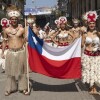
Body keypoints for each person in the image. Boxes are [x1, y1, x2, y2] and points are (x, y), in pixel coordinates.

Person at [1, 5, 30, 96]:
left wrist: (26, 39)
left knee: (21, 72)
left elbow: (25, 41)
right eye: (12, 19)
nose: (14, 20)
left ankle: (23, 88)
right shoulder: (6, 30)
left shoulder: (22, 29)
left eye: (15, 19)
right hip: (10, 52)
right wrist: (2, 52)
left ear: (18, 19)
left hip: (20, 52)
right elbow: (5, 42)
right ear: (10, 19)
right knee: (10, 73)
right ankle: (10, 88)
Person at [81, 11, 100, 95]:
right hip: (87, 55)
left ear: (95, 23)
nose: (92, 25)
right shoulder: (85, 34)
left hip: (97, 56)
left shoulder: (98, 33)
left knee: (96, 71)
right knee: (88, 71)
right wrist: (82, 35)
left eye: (93, 23)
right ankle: (90, 87)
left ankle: (95, 88)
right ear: (87, 24)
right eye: (90, 23)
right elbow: (82, 45)